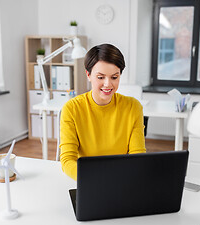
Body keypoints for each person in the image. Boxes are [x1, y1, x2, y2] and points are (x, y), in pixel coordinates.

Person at [59, 43, 146, 180]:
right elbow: (67, 160)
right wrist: (94, 179)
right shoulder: (72, 109)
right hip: (88, 180)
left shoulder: (133, 107)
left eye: (114, 77)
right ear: (88, 75)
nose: (108, 84)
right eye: (100, 77)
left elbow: (137, 156)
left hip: (122, 179)